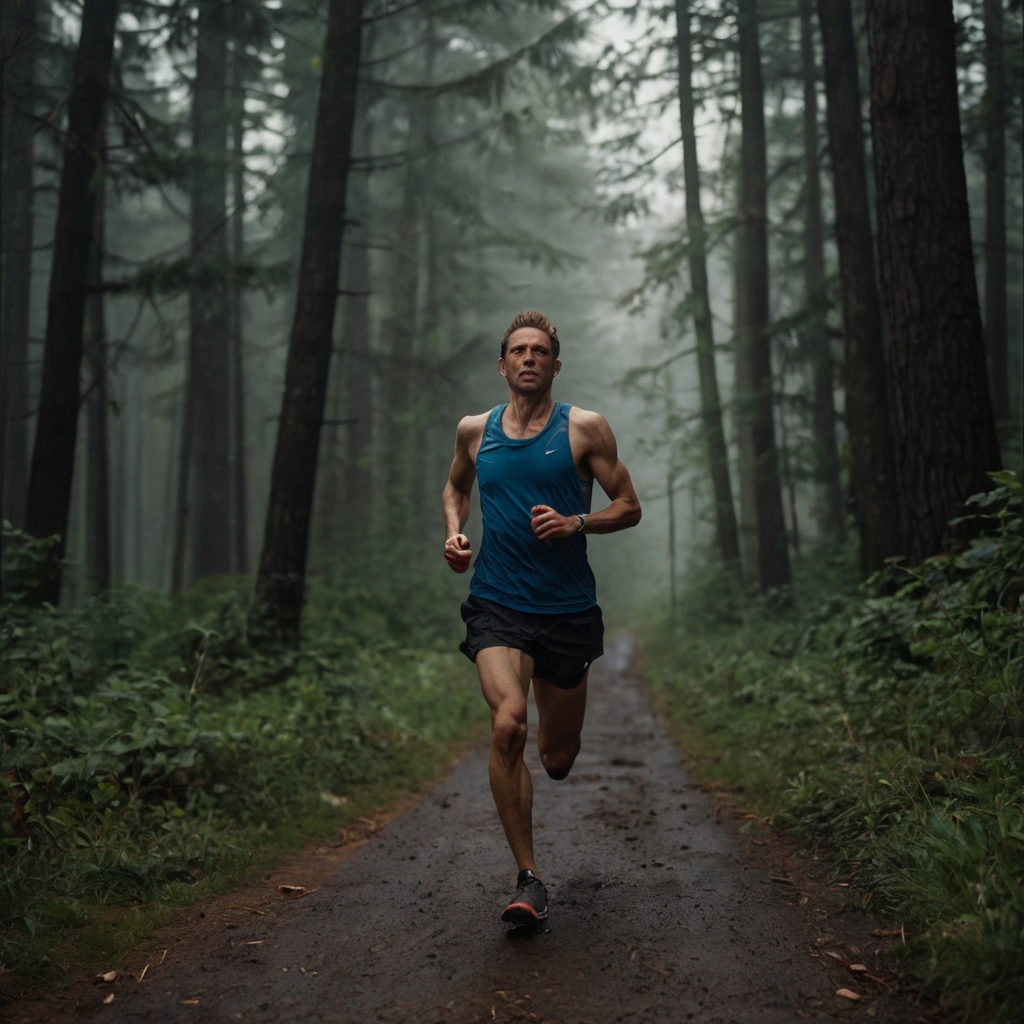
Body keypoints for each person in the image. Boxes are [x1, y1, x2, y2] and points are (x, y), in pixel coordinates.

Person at [441, 309, 642, 927]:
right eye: (519, 350)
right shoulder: (474, 431)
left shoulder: (584, 429)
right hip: (497, 603)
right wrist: (454, 533)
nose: (529, 357)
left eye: (540, 351)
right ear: (502, 365)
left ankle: (553, 756)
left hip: (566, 612)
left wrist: (576, 522)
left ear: (556, 366)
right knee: (508, 726)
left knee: (556, 757)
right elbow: (456, 488)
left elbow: (629, 505)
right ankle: (529, 878)